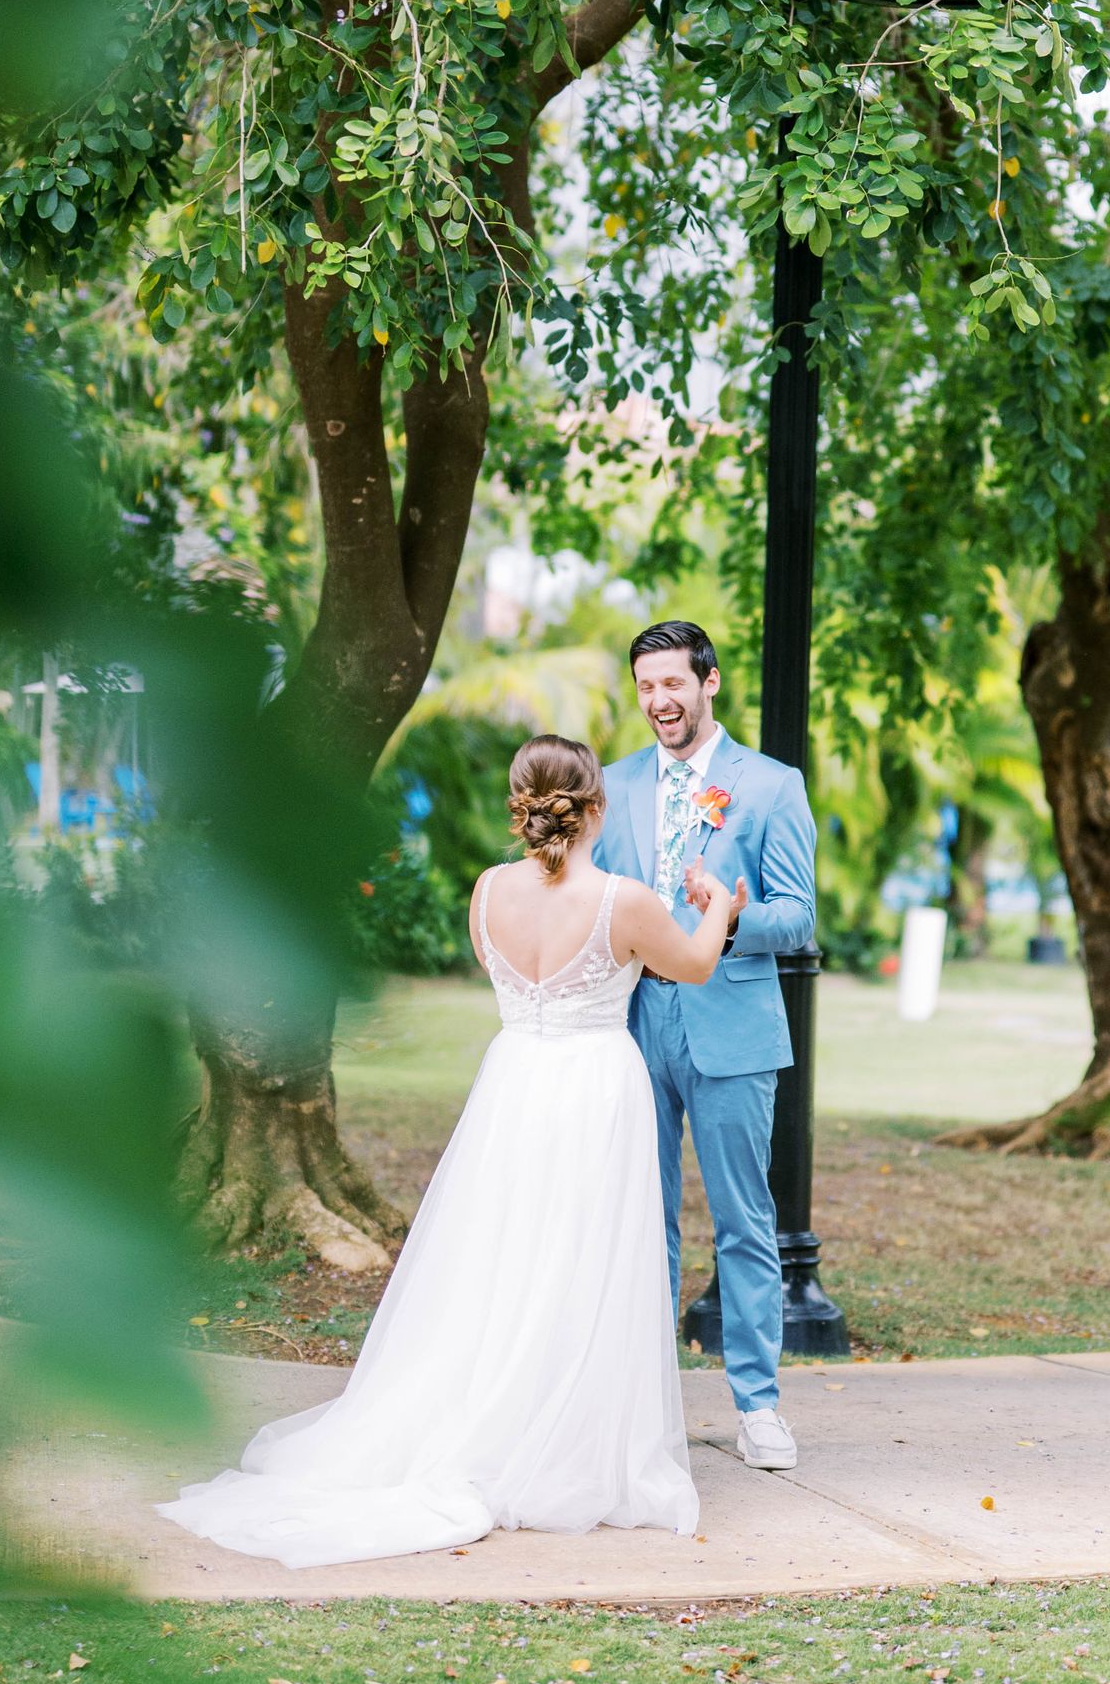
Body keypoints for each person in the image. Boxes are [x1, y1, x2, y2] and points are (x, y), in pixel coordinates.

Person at [157, 736, 744, 1570]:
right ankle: (561, 1440)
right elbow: (691, 966)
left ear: (522, 805)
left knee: (499, 1256)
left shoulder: (487, 892)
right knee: (581, 1259)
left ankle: (488, 1414)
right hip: (593, 1089)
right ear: (596, 809)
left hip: (514, 1083)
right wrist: (717, 900)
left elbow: (510, 976)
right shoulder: (627, 899)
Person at [593, 620, 817, 1471]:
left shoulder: (769, 786)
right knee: (637, 1220)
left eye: (673, 685)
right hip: (631, 1026)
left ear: (709, 681)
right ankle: (643, 1402)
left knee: (743, 1220)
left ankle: (758, 1406)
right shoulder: (611, 788)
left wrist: (726, 915)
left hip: (731, 1025)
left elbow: (798, 917)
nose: (659, 702)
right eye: (646, 687)